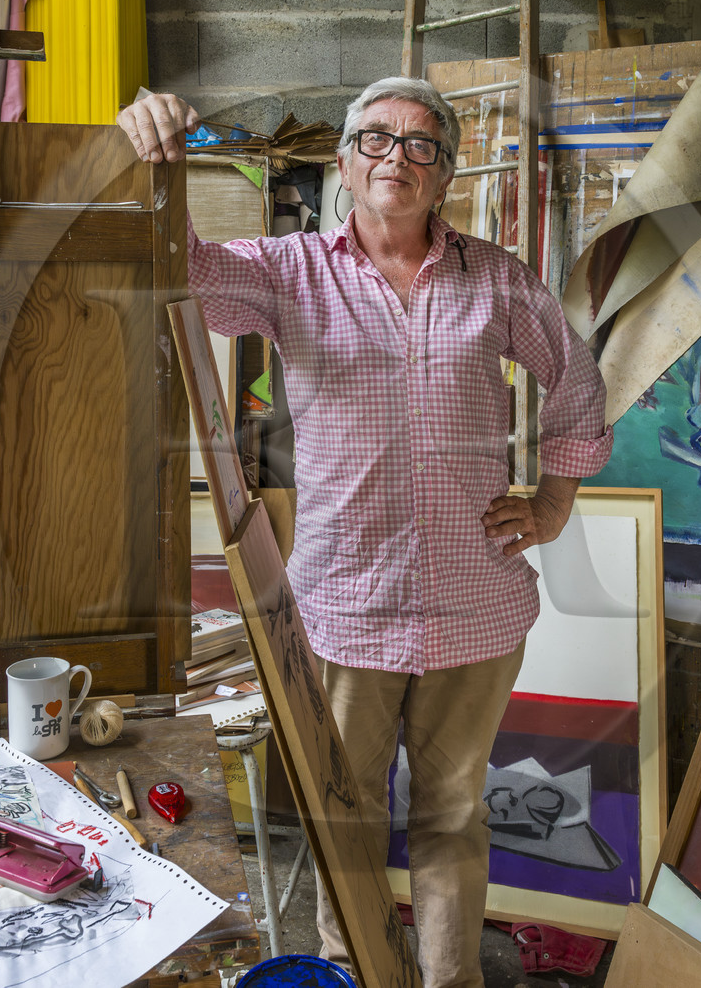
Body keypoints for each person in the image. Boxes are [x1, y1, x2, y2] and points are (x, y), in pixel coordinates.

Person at [120, 78, 611, 988]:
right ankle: (355, 974)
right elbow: (186, 268)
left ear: (445, 177)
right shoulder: (290, 270)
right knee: (344, 820)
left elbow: (577, 380)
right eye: (375, 138)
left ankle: (449, 981)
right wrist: (158, 156)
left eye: (423, 144)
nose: (397, 156)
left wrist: (552, 503)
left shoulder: (496, 279)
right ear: (344, 165)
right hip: (348, 607)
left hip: (474, 606)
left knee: (452, 815)